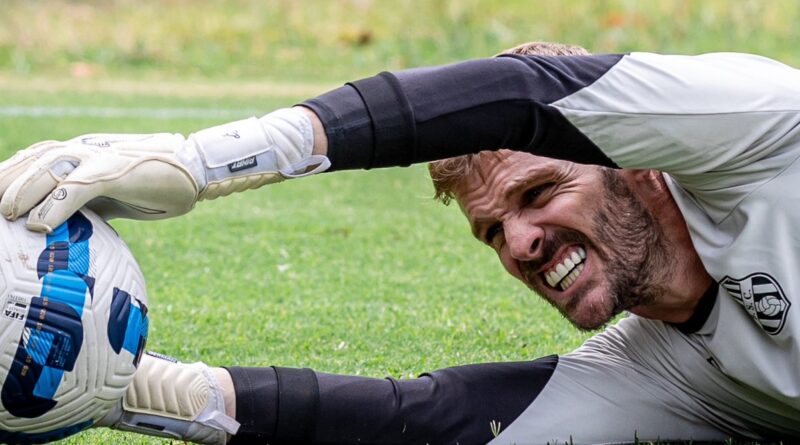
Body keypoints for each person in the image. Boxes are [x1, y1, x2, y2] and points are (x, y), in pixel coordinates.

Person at [2, 41, 800, 444]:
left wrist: (197, 160)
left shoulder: (764, 132)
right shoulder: (675, 372)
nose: (520, 242)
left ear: (633, 152)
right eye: (492, 230)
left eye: (540, 192)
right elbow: (435, 417)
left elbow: (523, 95)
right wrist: (133, 392)